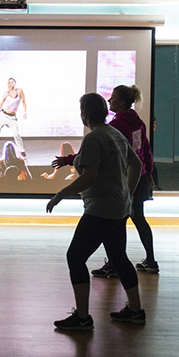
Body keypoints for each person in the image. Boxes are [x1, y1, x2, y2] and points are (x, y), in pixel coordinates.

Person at [47, 93, 145, 329]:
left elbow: (90, 176)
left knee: (75, 257)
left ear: (85, 114)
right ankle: (135, 310)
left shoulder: (94, 138)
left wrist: (60, 194)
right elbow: (137, 165)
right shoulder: (115, 134)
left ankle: (82, 317)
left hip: (100, 209)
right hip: (118, 207)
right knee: (119, 258)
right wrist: (128, 194)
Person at [92, 85, 158, 276]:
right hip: (140, 177)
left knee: (115, 223)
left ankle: (114, 264)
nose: (109, 101)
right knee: (139, 219)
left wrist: (69, 160)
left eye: (112, 98)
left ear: (121, 102)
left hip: (125, 180)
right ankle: (150, 261)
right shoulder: (138, 122)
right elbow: (145, 151)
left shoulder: (117, 125)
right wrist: (149, 174)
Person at [0, 77, 27, 157]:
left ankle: (22, 150)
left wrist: (25, 112)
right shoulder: (6, 93)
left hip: (12, 117)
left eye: (12, 82)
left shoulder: (19, 91)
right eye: (9, 82)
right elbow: (1, 104)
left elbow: (24, 101)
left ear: (15, 83)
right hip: (3, 115)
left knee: (16, 134)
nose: (11, 84)